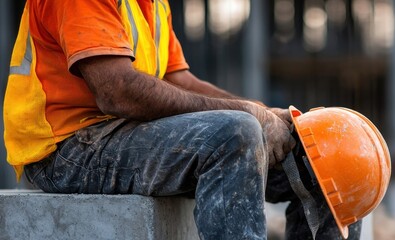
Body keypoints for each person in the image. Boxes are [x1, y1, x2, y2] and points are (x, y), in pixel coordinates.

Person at [4, 0, 360, 239]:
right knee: (236, 134)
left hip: (123, 133)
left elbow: (178, 81)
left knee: (323, 152)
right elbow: (115, 91)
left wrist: (267, 113)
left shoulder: (152, 4)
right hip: (67, 148)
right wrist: (249, 116)